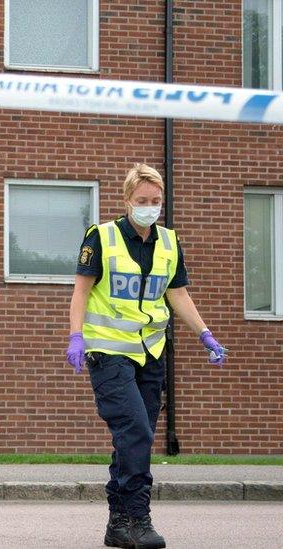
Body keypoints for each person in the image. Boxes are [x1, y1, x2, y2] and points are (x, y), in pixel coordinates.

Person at [66, 164, 226, 549]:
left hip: (151, 352)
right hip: (108, 353)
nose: (150, 208)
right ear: (127, 201)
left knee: (135, 436)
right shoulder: (101, 237)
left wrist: (205, 334)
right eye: (142, 201)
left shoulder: (169, 243)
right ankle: (138, 517)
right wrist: (75, 337)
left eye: (156, 201)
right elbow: (82, 291)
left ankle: (118, 524)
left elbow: (177, 296)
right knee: (135, 429)